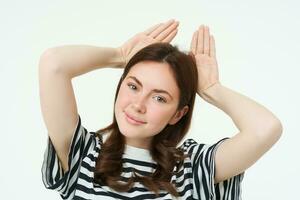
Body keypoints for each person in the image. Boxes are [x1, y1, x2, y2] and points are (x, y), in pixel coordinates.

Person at [39, 19, 283, 200]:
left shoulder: (192, 169)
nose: (138, 104)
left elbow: (265, 129)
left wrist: (211, 88)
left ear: (178, 114)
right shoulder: (83, 155)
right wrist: (119, 55)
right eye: (133, 86)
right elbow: (53, 64)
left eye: (159, 98)